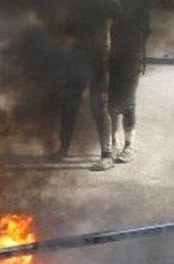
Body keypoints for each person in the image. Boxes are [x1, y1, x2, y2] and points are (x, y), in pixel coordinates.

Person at [55, 0, 121, 171]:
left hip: (98, 54)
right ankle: (64, 148)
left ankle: (107, 155)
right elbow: (68, 26)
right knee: (70, 100)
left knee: (99, 104)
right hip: (79, 52)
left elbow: (116, 10)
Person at [108, 0, 150, 164]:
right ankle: (113, 143)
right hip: (113, 53)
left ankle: (128, 146)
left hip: (131, 54)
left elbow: (144, 31)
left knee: (128, 102)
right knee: (110, 101)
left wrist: (139, 59)